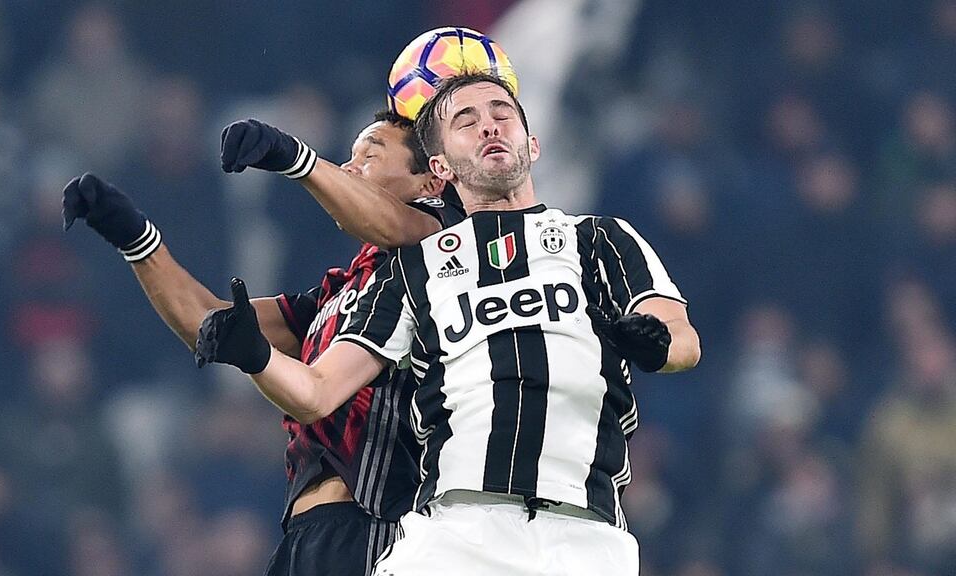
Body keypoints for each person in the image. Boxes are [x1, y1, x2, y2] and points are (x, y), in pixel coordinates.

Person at [196, 72, 701, 576]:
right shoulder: (414, 268)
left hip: (586, 536)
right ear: (439, 166)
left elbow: (682, 338)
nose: (490, 127)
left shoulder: (599, 239)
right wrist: (255, 356)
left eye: (502, 114)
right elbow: (317, 391)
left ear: (533, 144)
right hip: (456, 534)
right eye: (467, 121)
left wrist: (657, 344)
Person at [62, 110, 465, 576]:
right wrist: (136, 239)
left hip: (377, 526)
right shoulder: (337, 294)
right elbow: (209, 323)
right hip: (303, 532)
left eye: (369, 157)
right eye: (349, 157)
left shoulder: (444, 249)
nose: (348, 168)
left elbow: (396, 225)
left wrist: (293, 158)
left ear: (430, 182)